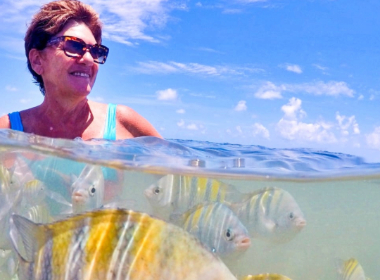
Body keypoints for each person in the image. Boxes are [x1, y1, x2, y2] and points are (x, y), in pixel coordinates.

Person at [0, 0, 162, 141]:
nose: (89, 59)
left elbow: (179, 174)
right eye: (74, 45)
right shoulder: (7, 129)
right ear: (37, 60)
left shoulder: (124, 122)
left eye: (95, 51)